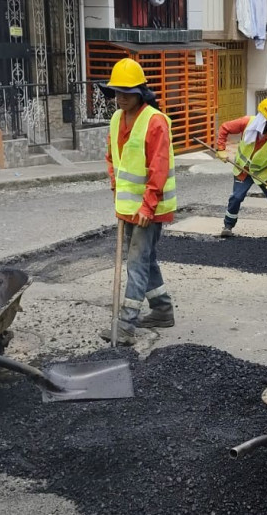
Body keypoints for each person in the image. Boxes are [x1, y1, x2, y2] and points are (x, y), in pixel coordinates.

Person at [100, 58, 176, 345]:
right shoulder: (117, 119)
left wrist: (148, 205)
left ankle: (127, 324)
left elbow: (158, 166)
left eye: (126, 92)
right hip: (129, 205)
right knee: (145, 259)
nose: (120, 98)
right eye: (116, 92)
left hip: (151, 208)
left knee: (136, 261)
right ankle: (163, 310)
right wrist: (116, 188)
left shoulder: (154, 121)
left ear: (140, 92)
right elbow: (113, 159)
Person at [216, 98, 267, 242]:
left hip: (264, 172)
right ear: (262, 119)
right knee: (236, 198)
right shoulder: (247, 123)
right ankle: (227, 227)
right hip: (243, 170)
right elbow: (225, 128)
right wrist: (221, 149)